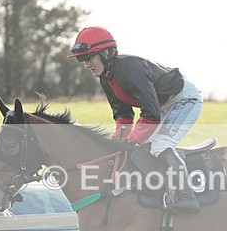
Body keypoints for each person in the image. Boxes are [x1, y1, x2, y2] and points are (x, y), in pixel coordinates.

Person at [69, 26, 203, 212]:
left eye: (89, 58)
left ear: (106, 53)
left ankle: (187, 196)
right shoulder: (106, 78)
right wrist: (118, 141)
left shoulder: (130, 68)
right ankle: (158, 189)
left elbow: (151, 114)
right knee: (140, 147)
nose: (86, 65)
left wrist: (132, 140)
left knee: (161, 144)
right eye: (81, 60)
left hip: (184, 99)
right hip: (162, 105)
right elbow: (123, 115)